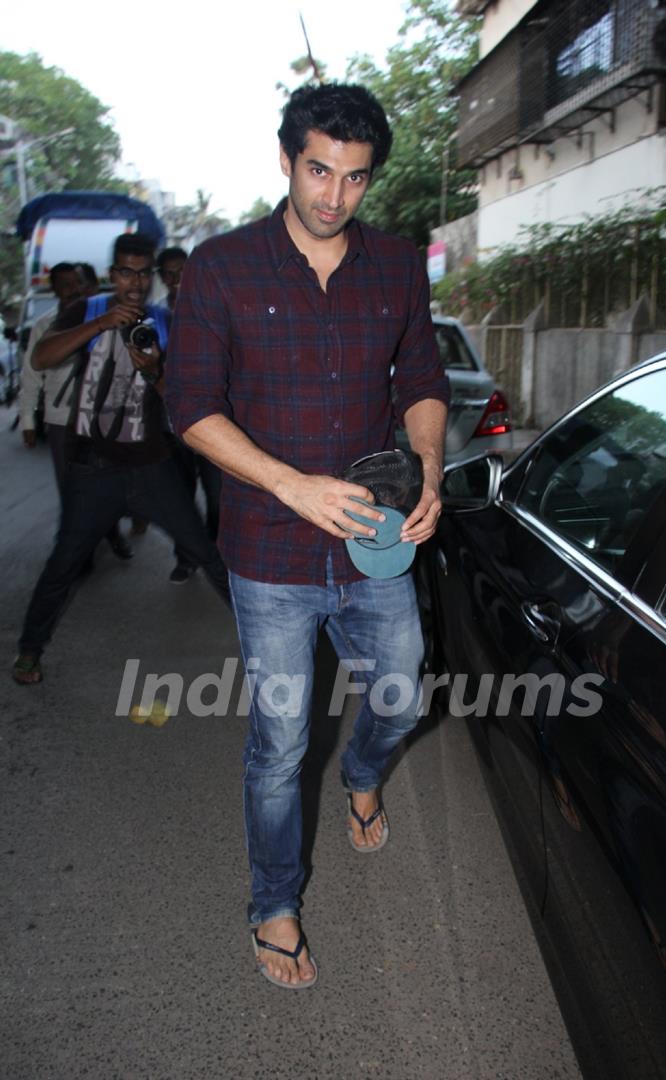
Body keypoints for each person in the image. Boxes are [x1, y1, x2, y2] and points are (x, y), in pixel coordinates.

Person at [165, 83, 449, 989]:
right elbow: (190, 408)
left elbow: (424, 381)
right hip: (270, 554)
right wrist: (289, 484)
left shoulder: (398, 265)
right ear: (286, 158)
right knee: (279, 744)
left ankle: (363, 771)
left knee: (403, 697)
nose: (333, 196)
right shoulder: (220, 267)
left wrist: (431, 467)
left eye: (355, 179)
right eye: (318, 170)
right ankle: (275, 904)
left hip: (374, 542)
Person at [11, 233, 231, 686]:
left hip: (152, 464)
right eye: (127, 272)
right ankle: (30, 651)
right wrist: (101, 323)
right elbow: (41, 355)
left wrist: (153, 371)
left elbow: (180, 399)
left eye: (144, 272)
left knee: (207, 554)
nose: (136, 282)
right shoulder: (86, 310)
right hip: (92, 468)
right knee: (64, 562)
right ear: (113, 274)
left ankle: (268, 641)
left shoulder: (166, 321)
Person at [18, 261, 133, 561]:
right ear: (53, 288)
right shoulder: (45, 326)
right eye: (65, 284)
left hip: (101, 417)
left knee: (107, 480)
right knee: (70, 486)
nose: (72, 290)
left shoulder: (106, 319)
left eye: (77, 283)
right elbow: (31, 375)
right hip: (61, 418)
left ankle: (111, 532)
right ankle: (77, 551)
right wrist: (28, 419)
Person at [156, 246, 223, 584]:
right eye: (168, 274)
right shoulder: (153, 319)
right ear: (161, 278)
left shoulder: (211, 308)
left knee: (218, 497)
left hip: (214, 424)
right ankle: (186, 558)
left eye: (181, 272)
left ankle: (217, 557)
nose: (176, 280)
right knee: (180, 499)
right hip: (171, 428)